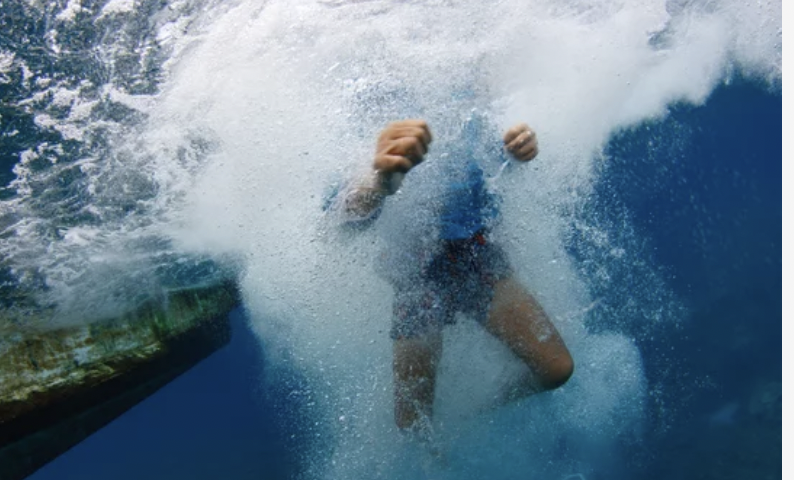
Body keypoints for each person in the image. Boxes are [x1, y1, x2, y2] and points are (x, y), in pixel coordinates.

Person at [329, 113, 573, 432]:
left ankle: (471, 416)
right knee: (411, 424)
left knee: (555, 369)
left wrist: (517, 150)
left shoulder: (475, 91)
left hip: (475, 256)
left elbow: (496, 164)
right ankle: (435, 454)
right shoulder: (366, 97)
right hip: (416, 275)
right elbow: (336, 224)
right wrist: (377, 182)